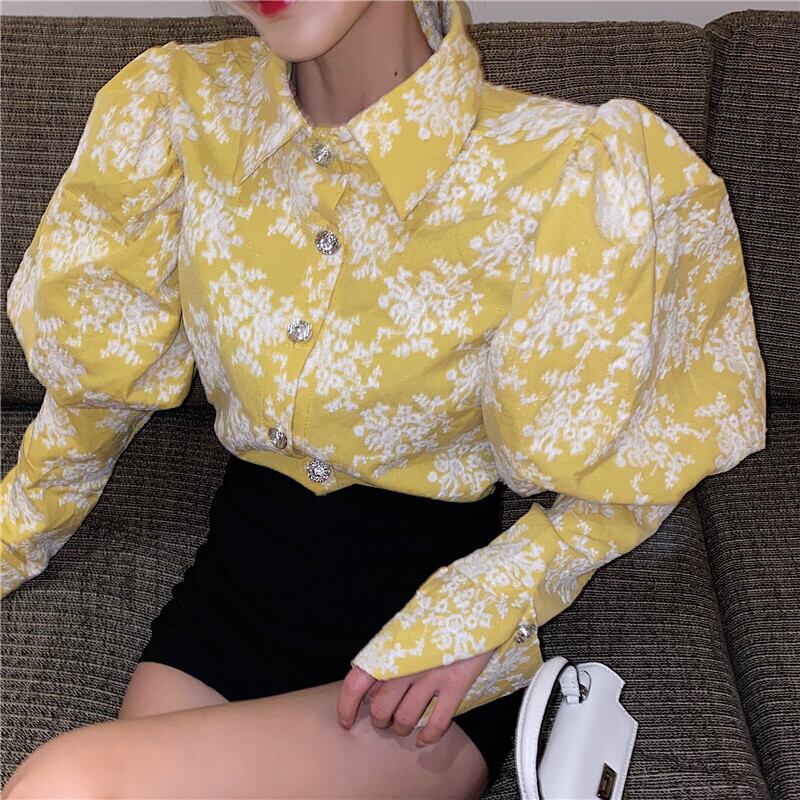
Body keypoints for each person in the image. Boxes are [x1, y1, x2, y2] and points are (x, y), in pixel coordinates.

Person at [0, 0, 767, 797]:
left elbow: (648, 454)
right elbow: (94, 390)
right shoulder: (177, 109)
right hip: (229, 606)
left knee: (69, 784)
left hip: (420, 655)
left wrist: (490, 605)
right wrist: (14, 536)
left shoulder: (563, 165)